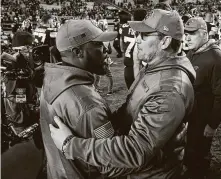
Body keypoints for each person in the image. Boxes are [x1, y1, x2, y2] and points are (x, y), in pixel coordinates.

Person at [49, 9, 196, 179]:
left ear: (165, 41)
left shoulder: (169, 90)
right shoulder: (155, 68)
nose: (137, 39)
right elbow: (131, 110)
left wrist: (71, 145)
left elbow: (136, 151)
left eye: (144, 35)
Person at [39, 20, 118, 179]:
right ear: (77, 52)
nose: (106, 51)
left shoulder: (52, 80)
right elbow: (111, 166)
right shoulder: (88, 104)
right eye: (99, 45)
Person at [184, 17, 221, 179]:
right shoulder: (192, 52)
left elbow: (220, 96)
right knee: (188, 151)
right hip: (189, 116)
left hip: (202, 119)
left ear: (204, 34)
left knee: (199, 156)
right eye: (186, 33)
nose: (187, 37)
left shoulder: (216, 58)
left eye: (192, 33)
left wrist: (212, 125)